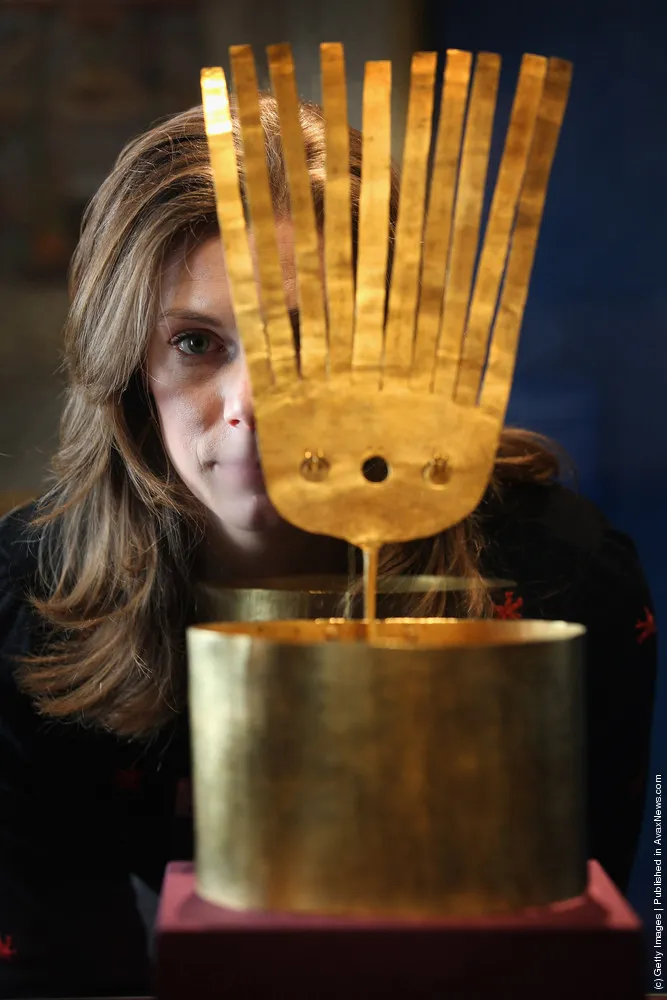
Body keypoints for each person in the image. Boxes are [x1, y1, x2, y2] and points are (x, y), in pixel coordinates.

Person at [0, 95, 657, 998]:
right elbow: (55, 973)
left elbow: (561, 954)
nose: (254, 405)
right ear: (126, 371)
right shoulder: (27, 602)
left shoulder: (555, 580)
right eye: (196, 343)